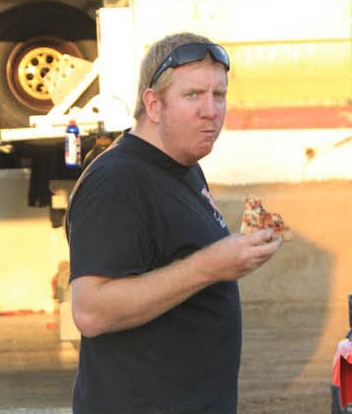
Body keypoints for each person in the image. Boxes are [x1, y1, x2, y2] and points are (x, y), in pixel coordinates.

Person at [66, 32, 283, 414]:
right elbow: (91, 312)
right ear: (153, 104)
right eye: (193, 95)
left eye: (219, 95)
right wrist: (212, 265)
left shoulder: (184, 167)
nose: (211, 111)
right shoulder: (117, 180)